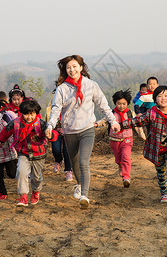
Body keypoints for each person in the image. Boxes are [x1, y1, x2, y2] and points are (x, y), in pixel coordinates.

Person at [46, 55, 120, 209]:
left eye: (74, 66)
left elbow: (103, 105)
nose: (71, 70)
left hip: (87, 129)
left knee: (83, 162)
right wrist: (50, 126)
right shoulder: (62, 89)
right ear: (65, 70)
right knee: (74, 163)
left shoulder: (91, 85)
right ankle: (79, 184)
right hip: (69, 131)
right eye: (68, 67)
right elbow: (55, 109)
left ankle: (84, 196)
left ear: (81, 67)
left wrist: (113, 121)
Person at [0, 99, 58, 207]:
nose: (29, 117)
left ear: (36, 113)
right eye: (26, 114)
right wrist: (1, 140)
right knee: (21, 172)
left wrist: (50, 135)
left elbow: (53, 133)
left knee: (36, 177)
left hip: (38, 155)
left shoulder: (41, 124)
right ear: (22, 113)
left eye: (32, 114)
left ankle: (36, 191)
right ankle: (23, 196)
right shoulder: (15, 123)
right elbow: (5, 131)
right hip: (23, 153)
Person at [96, 89, 146, 188]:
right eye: (119, 103)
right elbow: (104, 121)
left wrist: (144, 137)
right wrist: (96, 124)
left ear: (127, 103)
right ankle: (120, 165)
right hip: (114, 140)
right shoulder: (112, 114)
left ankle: (126, 177)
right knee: (118, 159)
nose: (121, 106)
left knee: (126, 157)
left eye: (124, 104)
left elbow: (137, 126)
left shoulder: (131, 113)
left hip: (127, 139)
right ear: (115, 103)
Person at [46, 102, 73, 181]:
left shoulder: (71, 106)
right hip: (55, 131)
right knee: (56, 149)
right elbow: (47, 120)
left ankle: (68, 171)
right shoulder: (50, 108)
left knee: (67, 151)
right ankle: (58, 160)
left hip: (68, 131)